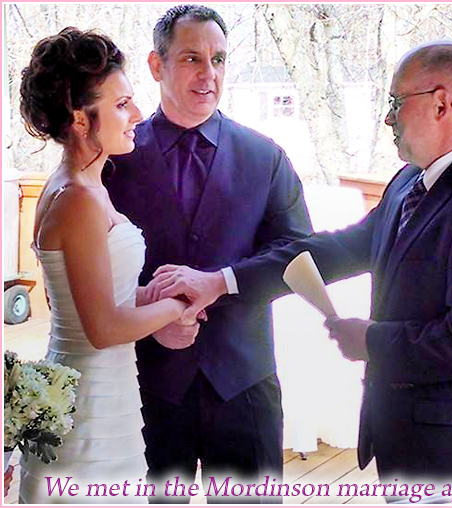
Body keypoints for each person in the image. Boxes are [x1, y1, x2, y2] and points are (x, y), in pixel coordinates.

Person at [150, 40, 452, 486]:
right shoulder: (410, 182)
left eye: (396, 102)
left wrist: (370, 340)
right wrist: (220, 282)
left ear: (442, 104)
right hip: (416, 445)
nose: (388, 118)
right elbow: (335, 251)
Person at [105, 4, 312, 503]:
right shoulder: (113, 158)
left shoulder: (265, 156)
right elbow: (83, 273)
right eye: (192, 58)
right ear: (156, 65)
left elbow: (299, 258)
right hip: (144, 386)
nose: (209, 74)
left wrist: (221, 283)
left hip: (244, 383)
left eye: (218, 59)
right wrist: (149, 316)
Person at [18, 27, 198, 504]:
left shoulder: (83, 186)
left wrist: (150, 296)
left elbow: (78, 297)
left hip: (106, 394)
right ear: (81, 118)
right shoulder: (77, 198)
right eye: (121, 105)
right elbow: (101, 328)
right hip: (89, 409)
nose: (137, 114)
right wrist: (178, 305)